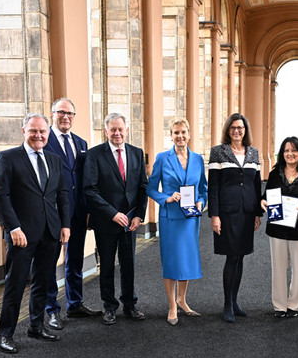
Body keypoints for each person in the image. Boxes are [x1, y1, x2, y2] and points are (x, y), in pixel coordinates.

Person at [0, 113, 70, 354]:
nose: (38, 135)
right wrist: (13, 228)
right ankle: (5, 334)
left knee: (43, 282)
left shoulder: (55, 160)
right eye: (33, 131)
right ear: (23, 131)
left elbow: (62, 195)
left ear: (48, 133)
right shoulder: (7, 158)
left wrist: (65, 225)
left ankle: (36, 325)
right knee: (14, 285)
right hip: (21, 235)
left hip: (50, 233)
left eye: (42, 131)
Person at [83, 113, 149, 325]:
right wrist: (112, 213)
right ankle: (109, 307)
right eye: (113, 129)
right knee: (108, 266)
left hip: (130, 222)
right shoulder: (94, 155)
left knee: (129, 264)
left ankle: (130, 305)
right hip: (106, 222)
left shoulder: (137, 153)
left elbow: (143, 187)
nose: (117, 133)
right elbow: (90, 189)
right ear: (106, 131)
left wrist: (139, 215)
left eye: (121, 129)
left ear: (126, 130)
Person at [43, 97, 102, 330]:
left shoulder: (81, 143)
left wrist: (87, 210)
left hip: (77, 212)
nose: (65, 117)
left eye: (70, 113)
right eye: (61, 112)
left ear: (74, 117)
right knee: (49, 263)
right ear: (52, 114)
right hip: (52, 214)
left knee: (74, 259)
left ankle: (75, 303)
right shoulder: (43, 140)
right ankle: (51, 310)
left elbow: (85, 181)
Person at [147, 118, 207, 326]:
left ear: (189, 134)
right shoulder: (163, 158)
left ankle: (182, 300)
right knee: (172, 260)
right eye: (176, 133)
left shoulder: (198, 159)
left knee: (186, 259)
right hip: (170, 218)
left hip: (190, 218)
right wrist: (166, 198)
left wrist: (201, 202)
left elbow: (203, 189)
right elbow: (151, 188)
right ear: (170, 135)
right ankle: (172, 305)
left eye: (183, 132)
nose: (180, 136)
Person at [260, 137, 298, 318]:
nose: (290, 154)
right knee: (278, 268)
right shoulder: (274, 174)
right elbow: (266, 195)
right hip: (277, 228)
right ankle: (279, 305)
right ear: (282, 153)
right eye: (286, 150)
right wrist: (263, 201)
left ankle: (295, 305)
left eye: (294, 150)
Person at [208, 113, 262, 323]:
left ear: (245, 130)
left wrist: (258, 213)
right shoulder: (218, 152)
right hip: (227, 213)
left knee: (240, 257)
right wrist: (215, 215)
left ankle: (236, 300)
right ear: (228, 130)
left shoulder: (253, 153)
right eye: (233, 128)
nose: (237, 131)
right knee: (232, 257)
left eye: (240, 127)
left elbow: (257, 185)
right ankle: (227, 304)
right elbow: (213, 186)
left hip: (247, 212)